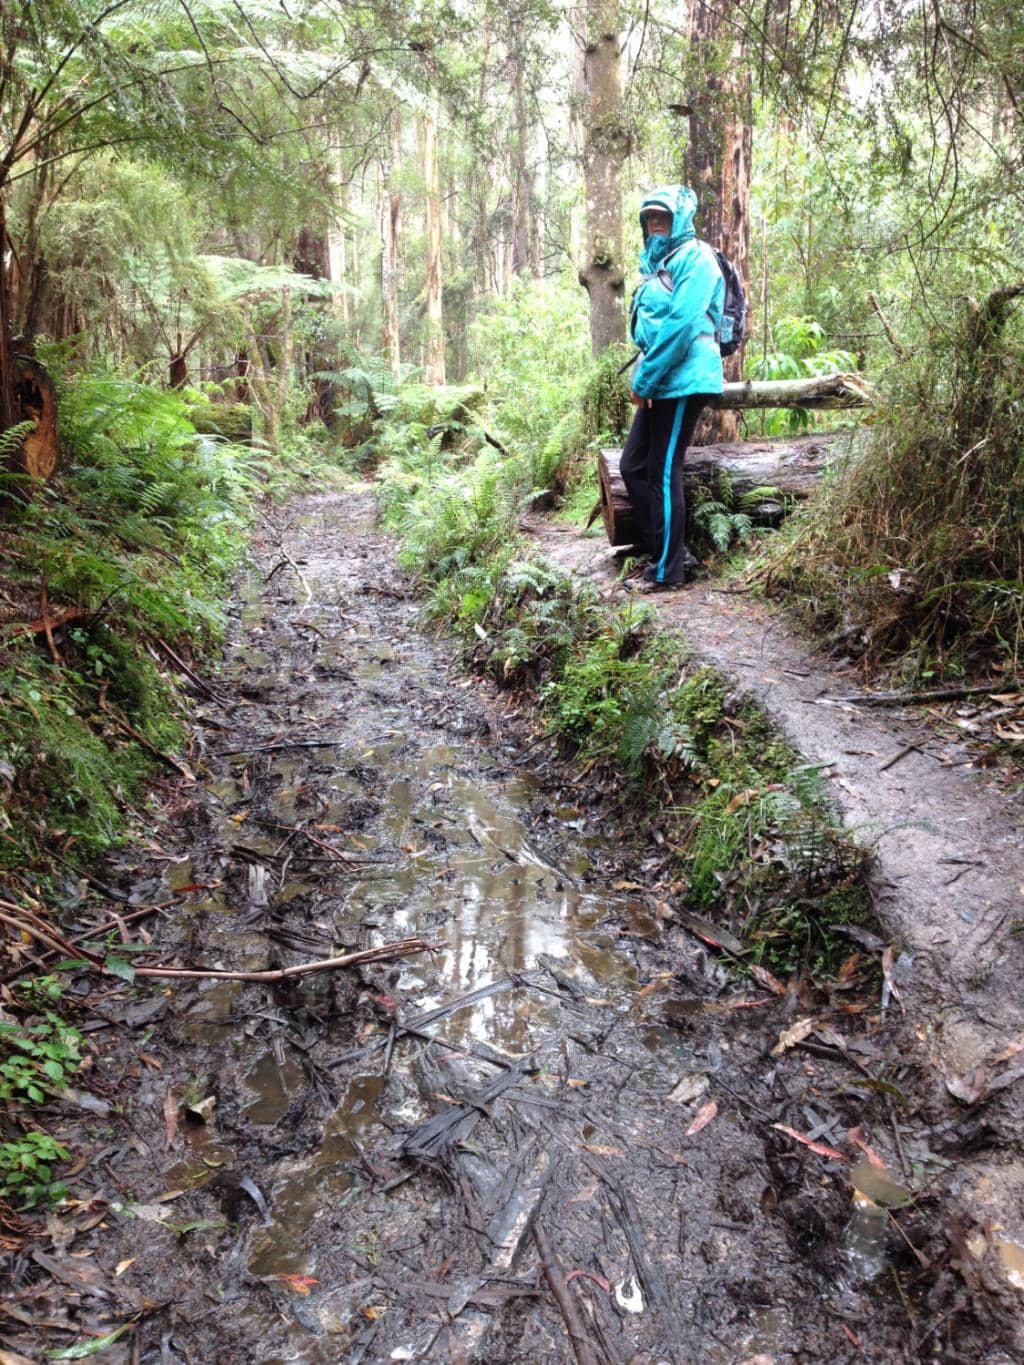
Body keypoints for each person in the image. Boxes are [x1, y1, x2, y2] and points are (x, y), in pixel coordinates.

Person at [620, 185, 724, 591]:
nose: (655, 223)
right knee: (632, 466)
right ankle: (672, 551)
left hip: (684, 379)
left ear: (680, 218)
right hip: (662, 377)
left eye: (662, 216)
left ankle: (666, 572)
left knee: (663, 472)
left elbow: (681, 325)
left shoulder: (697, 259)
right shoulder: (659, 262)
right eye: (649, 218)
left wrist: (645, 379)